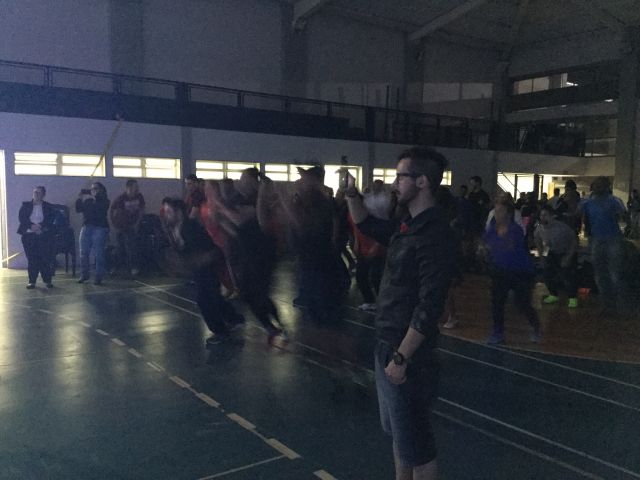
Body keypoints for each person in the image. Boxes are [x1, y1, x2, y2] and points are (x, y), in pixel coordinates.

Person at [345, 146, 454, 480]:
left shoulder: (434, 234)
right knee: (401, 437)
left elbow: (429, 305)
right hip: (388, 343)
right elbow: (365, 224)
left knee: (418, 448)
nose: (394, 184)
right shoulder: (406, 224)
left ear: (422, 182)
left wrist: (402, 357)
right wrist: (351, 194)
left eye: (400, 176)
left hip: (408, 355)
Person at [161, 197, 243, 346]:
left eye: (169, 212)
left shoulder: (190, 227)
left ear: (179, 212)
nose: (166, 215)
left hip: (209, 265)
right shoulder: (174, 229)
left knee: (204, 300)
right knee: (214, 297)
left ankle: (221, 332)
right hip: (199, 267)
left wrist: (195, 262)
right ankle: (234, 319)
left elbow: (207, 251)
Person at [483, 195, 541, 345]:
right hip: (500, 271)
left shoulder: (515, 230)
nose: (497, 214)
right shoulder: (492, 230)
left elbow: (507, 247)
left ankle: (535, 325)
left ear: (508, 214)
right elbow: (487, 245)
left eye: (500, 211)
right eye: (496, 211)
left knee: (522, 304)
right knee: (497, 302)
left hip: (520, 272)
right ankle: (498, 333)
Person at [581, 177, 626, 315]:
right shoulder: (588, 202)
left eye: (600, 185)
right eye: (596, 185)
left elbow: (623, 218)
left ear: (607, 187)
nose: (597, 187)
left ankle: (618, 304)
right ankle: (608, 304)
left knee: (614, 273)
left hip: (613, 239)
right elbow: (582, 217)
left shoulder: (614, 201)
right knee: (601, 274)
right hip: (597, 239)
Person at [535, 205, 579, 308]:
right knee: (547, 274)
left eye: (545, 215)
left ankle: (572, 297)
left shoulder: (562, 228)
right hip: (551, 252)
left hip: (565, 252)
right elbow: (538, 242)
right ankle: (553, 294)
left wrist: (568, 257)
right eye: (541, 215)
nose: (543, 217)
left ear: (552, 216)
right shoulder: (539, 228)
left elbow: (574, 241)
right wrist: (542, 257)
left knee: (567, 276)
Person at [18, 186, 56, 289]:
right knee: (32, 259)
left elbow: (50, 219)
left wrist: (41, 227)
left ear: (43, 195)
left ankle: (47, 280)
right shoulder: (26, 205)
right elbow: (22, 218)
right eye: (35, 192)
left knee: (45, 258)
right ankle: (32, 281)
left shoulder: (48, 206)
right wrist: (31, 226)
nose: (36, 194)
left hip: (43, 235)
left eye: (39, 192)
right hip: (29, 235)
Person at [76, 182, 110, 285]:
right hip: (87, 227)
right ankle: (84, 274)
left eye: (96, 188)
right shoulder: (88, 201)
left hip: (100, 227)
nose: (93, 190)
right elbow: (78, 209)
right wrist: (80, 198)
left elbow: (100, 210)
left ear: (101, 190)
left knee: (99, 253)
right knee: (83, 252)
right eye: (92, 188)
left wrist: (96, 197)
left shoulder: (105, 201)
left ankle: (98, 277)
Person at [109, 179, 145, 276]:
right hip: (122, 226)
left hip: (133, 225)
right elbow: (113, 211)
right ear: (129, 188)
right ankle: (117, 267)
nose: (137, 188)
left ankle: (133, 267)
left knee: (132, 247)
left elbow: (142, 210)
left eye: (137, 187)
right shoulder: (121, 199)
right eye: (135, 187)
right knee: (120, 247)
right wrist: (115, 224)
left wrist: (138, 223)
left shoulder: (139, 197)